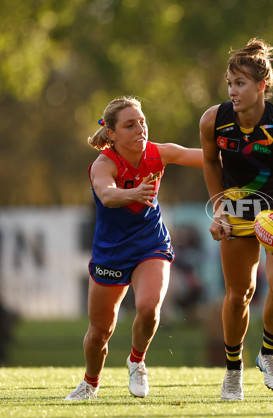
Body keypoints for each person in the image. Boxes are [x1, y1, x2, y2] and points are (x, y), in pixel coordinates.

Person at [65, 96, 204, 400]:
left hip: (150, 244)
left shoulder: (158, 153)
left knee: (149, 307)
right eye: (130, 125)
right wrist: (134, 193)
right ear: (112, 134)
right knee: (100, 331)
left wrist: (248, 157)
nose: (140, 128)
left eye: (142, 121)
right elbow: (107, 195)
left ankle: (137, 362)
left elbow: (206, 157)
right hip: (111, 251)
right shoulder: (103, 164)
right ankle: (90, 383)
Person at [199, 39, 273, 401]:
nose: (232, 91)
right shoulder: (213, 120)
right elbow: (211, 163)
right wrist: (218, 209)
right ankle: (233, 372)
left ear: (262, 86)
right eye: (229, 83)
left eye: (240, 84)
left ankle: (269, 354)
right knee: (239, 294)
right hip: (236, 210)